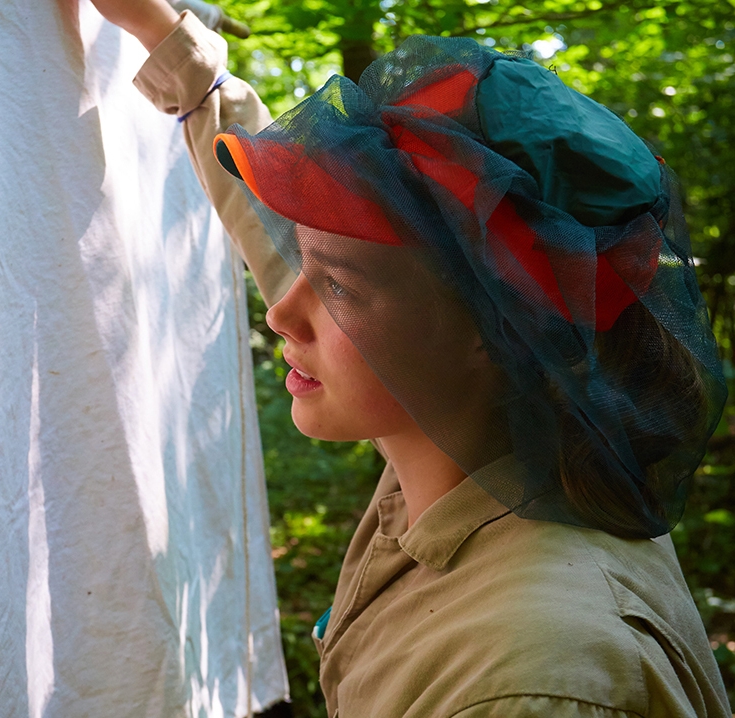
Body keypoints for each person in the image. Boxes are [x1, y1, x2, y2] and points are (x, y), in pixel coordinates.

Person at [90, 1, 732, 715]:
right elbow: (294, 252)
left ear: (496, 328)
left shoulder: (525, 682)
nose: (279, 312)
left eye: (334, 284)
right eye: (302, 257)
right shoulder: (487, 437)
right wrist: (169, 44)